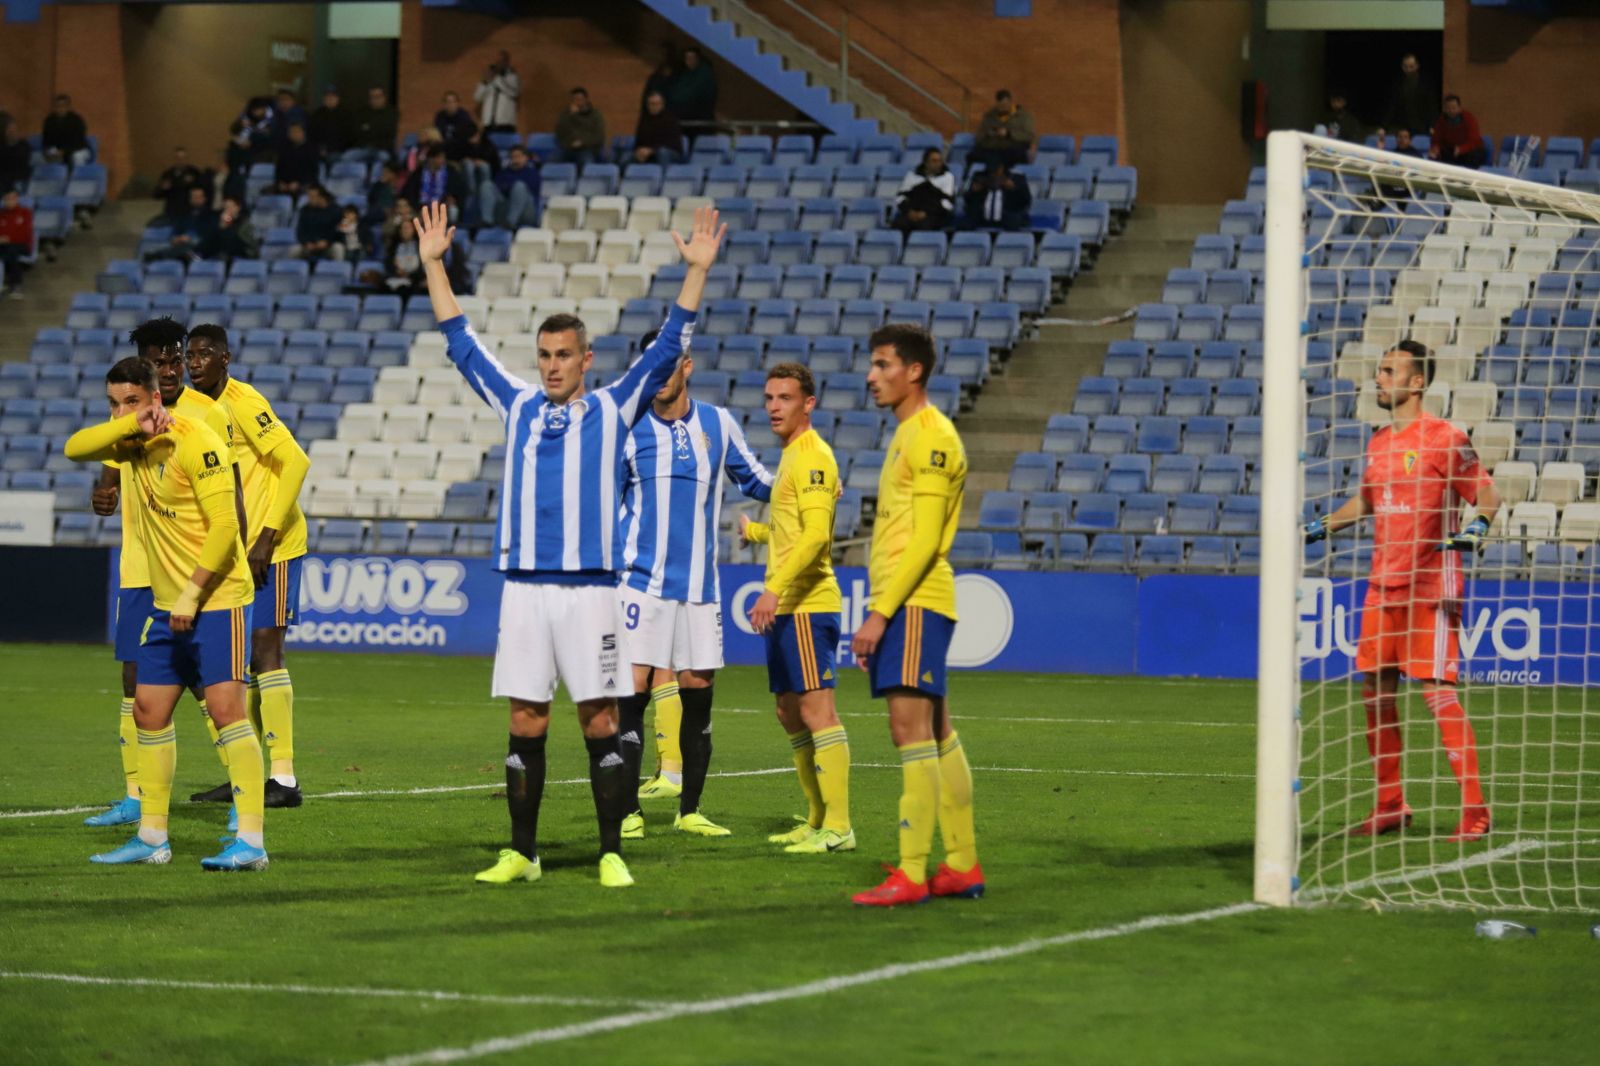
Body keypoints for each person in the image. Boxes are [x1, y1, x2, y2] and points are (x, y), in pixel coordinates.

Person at [414, 200, 723, 888]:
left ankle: (611, 849)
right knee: (526, 719)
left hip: (590, 592)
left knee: (600, 717)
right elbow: (460, 340)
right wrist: (434, 263)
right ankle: (523, 854)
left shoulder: (615, 407)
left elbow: (670, 343)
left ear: (586, 359)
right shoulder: (517, 403)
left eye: (564, 356)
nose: (552, 367)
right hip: (524, 590)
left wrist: (695, 272)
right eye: (545, 357)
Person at [64, 356, 268, 871]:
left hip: (218, 601)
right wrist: (130, 423)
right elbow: (73, 449)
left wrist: (192, 594)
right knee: (148, 712)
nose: (121, 411)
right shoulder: (131, 441)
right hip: (166, 603)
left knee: (226, 713)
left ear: (157, 396)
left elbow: (225, 530)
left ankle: (251, 842)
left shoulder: (197, 441)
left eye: (132, 400)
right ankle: (152, 838)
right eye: (113, 404)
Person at [1305, 341, 1498, 843]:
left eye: (1389, 371)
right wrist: (1318, 525)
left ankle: (1475, 810)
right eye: (1379, 370)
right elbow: (1365, 503)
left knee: (1437, 695)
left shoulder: (1444, 437)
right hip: (1381, 589)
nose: (1379, 378)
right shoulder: (1377, 443)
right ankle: (1390, 804)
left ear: (1417, 383)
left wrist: (1476, 527)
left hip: (1430, 588)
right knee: (1375, 696)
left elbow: (1486, 494)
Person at [614, 330, 773, 838]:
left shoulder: (717, 424)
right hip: (640, 585)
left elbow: (756, 480)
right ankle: (626, 811)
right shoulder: (627, 428)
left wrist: (810, 479)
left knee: (699, 693)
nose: (659, 374)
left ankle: (690, 811)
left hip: (701, 589)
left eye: (668, 364)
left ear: (688, 366)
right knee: (632, 694)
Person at [82, 318, 239, 829]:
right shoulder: (130, 416)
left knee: (208, 688)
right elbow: (113, 461)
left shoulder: (204, 413)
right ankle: (136, 796)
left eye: (176, 359)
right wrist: (104, 487)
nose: (172, 369)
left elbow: (228, 496)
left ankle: (242, 790)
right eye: (160, 361)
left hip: (191, 573)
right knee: (135, 681)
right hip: (138, 566)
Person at [849, 323, 982, 907]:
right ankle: (960, 863)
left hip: (915, 603)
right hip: (915, 602)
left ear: (914, 371)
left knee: (909, 733)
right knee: (936, 731)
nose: (872, 376)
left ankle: (911, 871)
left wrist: (878, 614)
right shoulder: (910, 434)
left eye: (882, 365)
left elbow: (925, 539)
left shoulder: (930, 437)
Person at [184, 324, 312, 811]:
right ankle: (246, 773)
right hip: (233, 553)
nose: (195, 363)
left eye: (204, 355)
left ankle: (283, 776)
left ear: (225, 358)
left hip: (271, 547)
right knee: (219, 665)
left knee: (264, 651)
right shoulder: (194, 412)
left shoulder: (244, 401)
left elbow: (296, 461)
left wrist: (265, 536)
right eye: (190, 355)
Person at [736, 363, 854, 855]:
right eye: (769, 398)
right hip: (789, 605)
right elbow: (791, 531)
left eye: (785, 398)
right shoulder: (792, 457)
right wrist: (758, 533)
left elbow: (817, 537)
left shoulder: (811, 457)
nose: (774, 407)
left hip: (807, 602)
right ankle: (816, 818)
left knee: (816, 710)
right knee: (789, 712)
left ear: (808, 404)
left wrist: (774, 589)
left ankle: (841, 826)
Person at [144, 186, 217, 263]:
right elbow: (176, 230)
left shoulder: (211, 215)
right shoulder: (184, 215)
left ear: (204, 199)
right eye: (194, 197)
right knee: (152, 251)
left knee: (192, 246)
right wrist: (175, 238)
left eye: (199, 197)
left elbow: (210, 234)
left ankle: (167, 256)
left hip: (199, 245)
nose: (196, 199)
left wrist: (190, 237)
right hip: (181, 243)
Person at [893, 147, 956, 232]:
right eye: (934, 161)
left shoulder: (947, 177)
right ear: (926, 162)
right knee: (898, 224)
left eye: (940, 161)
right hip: (911, 213)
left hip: (934, 215)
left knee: (924, 226)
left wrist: (926, 213)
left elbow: (947, 203)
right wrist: (909, 211)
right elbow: (900, 198)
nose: (938, 164)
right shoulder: (912, 176)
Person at [478, 144, 541, 229]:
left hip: (526, 211)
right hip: (506, 208)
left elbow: (529, 190)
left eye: (519, 156)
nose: (516, 160)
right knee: (487, 185)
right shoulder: (504, 172)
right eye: (513, 157)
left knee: (519, 187)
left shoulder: (533, 173)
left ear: (526, 158)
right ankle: (487, 221)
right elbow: (497, 188)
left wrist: (509, 186)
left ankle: (511, 222)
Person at [401, 145, 468, 222]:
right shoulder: (419, 173)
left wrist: (452, 198)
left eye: (443, 157)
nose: (442, 160)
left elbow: (460, 190)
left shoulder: (450, 171)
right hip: (421, 206)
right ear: (431, 159)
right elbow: (410, 192)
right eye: (439, 157)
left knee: (453, 209)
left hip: (443, 205)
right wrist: (417, 207)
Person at [973, 89, 1035, 169]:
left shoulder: (1023, 116)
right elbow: (979, 137)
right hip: (992, 149)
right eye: (1000, 105)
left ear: (1010, 102)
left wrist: (1008, 134)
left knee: (1009, 157)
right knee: (974, 155)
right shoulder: (989, 116)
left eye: (1005, 105)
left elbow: (1029, 136)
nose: (1003, 108)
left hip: (1013, 150)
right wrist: (989, 133)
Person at [962, 163, 1031, 231]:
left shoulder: (1016, 178)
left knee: (1013, 221)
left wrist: (1014, 189)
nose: (993, 172)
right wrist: (973, 191)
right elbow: (968, 200)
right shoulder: (979, 177)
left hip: (1008, 216)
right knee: (965, 224)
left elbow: (1025, 201)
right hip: (982, 216)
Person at [1385, 53, 1438, 136]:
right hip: (1404, 126)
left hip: (1423, 126)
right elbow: (1392, 106)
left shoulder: (1426, 83)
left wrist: (1433, 125)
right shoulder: (1398, 84)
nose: (1408, 69)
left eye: (1411, 66)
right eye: (1405, 67)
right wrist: (1384, 126)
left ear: (1417, 66)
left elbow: (1432, 106)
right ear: (1402, 67)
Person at [1430, 94, 1488, 169]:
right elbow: (1436, 140)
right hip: (1452, 150)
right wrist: (1435, 148)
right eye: (1448, 108)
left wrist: (1461, 149)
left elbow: (1474, 140)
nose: (1451, 111)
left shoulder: (1469, 119)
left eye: (1454, 108)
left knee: (1474, 156)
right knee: (1434, 156)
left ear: (1459, 108)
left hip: (1470, 150)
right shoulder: (1441, 121)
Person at [555, 87, 607, 167]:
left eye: (580, 99)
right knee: (552, 160)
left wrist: (582, 143)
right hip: (568, 149)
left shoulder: (595, 115)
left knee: (586, 162)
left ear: (586, 99)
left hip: (588, 149)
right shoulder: (565, 115)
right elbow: (560, 132)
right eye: (575, 99)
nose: (577, 102)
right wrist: (569, 144)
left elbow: (598, 137)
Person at [200, 194, 258, 264]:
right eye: (225, 208)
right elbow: (208, 245)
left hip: (242, 256)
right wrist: (220, 228)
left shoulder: (246, 224)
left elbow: (242, 244)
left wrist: (226, 228)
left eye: (230, 207)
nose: (227, 210)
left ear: (238, 207)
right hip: (220, 256)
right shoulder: (219, 223)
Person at [153, 147, 205, 223]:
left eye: (183, 158)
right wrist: (162, 188)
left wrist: (192, 183)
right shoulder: (168, 174)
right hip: (172, 211)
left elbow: (201, 189)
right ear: (174, 159)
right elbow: (156, 195)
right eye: (178, 158)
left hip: (189, 211)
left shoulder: (194, 172)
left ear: (187, 159)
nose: (181, 161)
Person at [633, 91, 685, 166]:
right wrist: (639, 150)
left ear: (662, 105)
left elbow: (672, 143)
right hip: (649, 153)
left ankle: (663, 177)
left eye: (656, 104)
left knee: (662, 152)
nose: (653, 106)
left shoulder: (671, 120)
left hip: (671, 153)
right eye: (651, 104)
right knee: (628, 157)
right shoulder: (644, 120)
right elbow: (639, 141)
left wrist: (651, 150)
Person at [667, 46, 716, 124]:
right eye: (686, 58)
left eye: (691, 58)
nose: (688, 61)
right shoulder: (686, 73)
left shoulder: (704, 73)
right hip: (687, 115)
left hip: (699, 118)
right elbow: (676, 90)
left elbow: (691, 93)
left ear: (697, 59)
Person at [476, 50, 521, 135]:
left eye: (501, 61)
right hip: (488, 124)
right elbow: (477, 97)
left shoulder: (512, 77)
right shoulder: (488, 78)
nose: (498, 64)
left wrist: (496, 78)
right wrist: (485, 82)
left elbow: (514, 93)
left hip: (505, 124)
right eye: (496, 62)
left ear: (507, 62)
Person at [293, 184, 342, 261]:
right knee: (294, 250)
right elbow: (300, 231)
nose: (309, 199)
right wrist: (306, 242)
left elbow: (338, 231)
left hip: (329, 245)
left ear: (321, 197)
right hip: (309, 246)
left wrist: (327, 241)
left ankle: (338, 270)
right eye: (308, 196)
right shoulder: (305, 210)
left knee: (338, 248)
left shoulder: (336, 210)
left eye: (312, 197)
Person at [0, 187, 32, 299]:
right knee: (8, 251)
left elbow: (25, 234)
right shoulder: (1, 214)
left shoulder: (25, 213)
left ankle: (16, 285)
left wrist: (8, 239)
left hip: (22, 245)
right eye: (7, 199)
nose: (9, 201)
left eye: (12, 199)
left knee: (12, 252)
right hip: (3, 245)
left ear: (17, 199)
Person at [272, 123, 320, 197]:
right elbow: (279, 168)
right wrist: (280, 182)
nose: (293, 134)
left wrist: (299, 183)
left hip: (304, 183)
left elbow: (312, 171)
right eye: (291, 132)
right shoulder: (285, 149)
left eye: (296, 131)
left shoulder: (311, 149)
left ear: (303, 132)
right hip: (286, 184)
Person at [41, 94, 90, 165]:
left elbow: (78, 141)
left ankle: (76, 176)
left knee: (78, 157)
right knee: (39, 158)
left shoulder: (76, 120)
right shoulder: (49, 121)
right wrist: (49, 151)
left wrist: (64, 151)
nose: (60, 108)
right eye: (58, 106)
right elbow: (46, 140)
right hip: (57, 150)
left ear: (68, 107)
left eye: (63, 106)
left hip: (77, 149)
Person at [354, 86, 399, 161]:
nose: (375, 99)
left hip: (383, 150)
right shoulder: (363, 113)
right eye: (373, 97)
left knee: (383, 158)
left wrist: (369, 132)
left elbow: (389, 136)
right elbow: (359, 134)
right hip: (364, 149)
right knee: (347, 157)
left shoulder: (392, 114)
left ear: (384, 97)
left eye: (378, 96)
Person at [308, 86, 350, 160]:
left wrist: (331, 149)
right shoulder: (317, 114)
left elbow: (348, 137)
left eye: (333, 96)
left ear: (338, 98)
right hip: (318, 150)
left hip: (339, 151)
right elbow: (311, 134)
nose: (330, 99)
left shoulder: (346, 114)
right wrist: (320, 148)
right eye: (327, 96)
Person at [434, 91, 479, 159]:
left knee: (472, 165)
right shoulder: (439, 117)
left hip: (462, 153)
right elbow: (437, 135)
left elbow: (468, 137)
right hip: (444, 152)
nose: (450, 105)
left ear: (457, 103)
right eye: (447, 102)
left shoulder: (464, 116)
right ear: (444, 104)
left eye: (453, 102)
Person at [0, 116, 32, 195]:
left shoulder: (24, 145)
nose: (11, 132)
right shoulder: (2, 145)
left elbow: (21, 160)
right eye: (9, 130)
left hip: (19, 173)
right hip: (4, 173)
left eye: (13, 130)